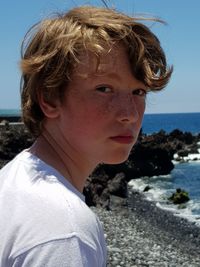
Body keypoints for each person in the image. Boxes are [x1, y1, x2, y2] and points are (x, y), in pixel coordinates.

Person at [0, 5, 172, 267]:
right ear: (49, 98)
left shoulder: (14, 181)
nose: (130, 115)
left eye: (138, 92)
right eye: (104, 88)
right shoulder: (65, 233)